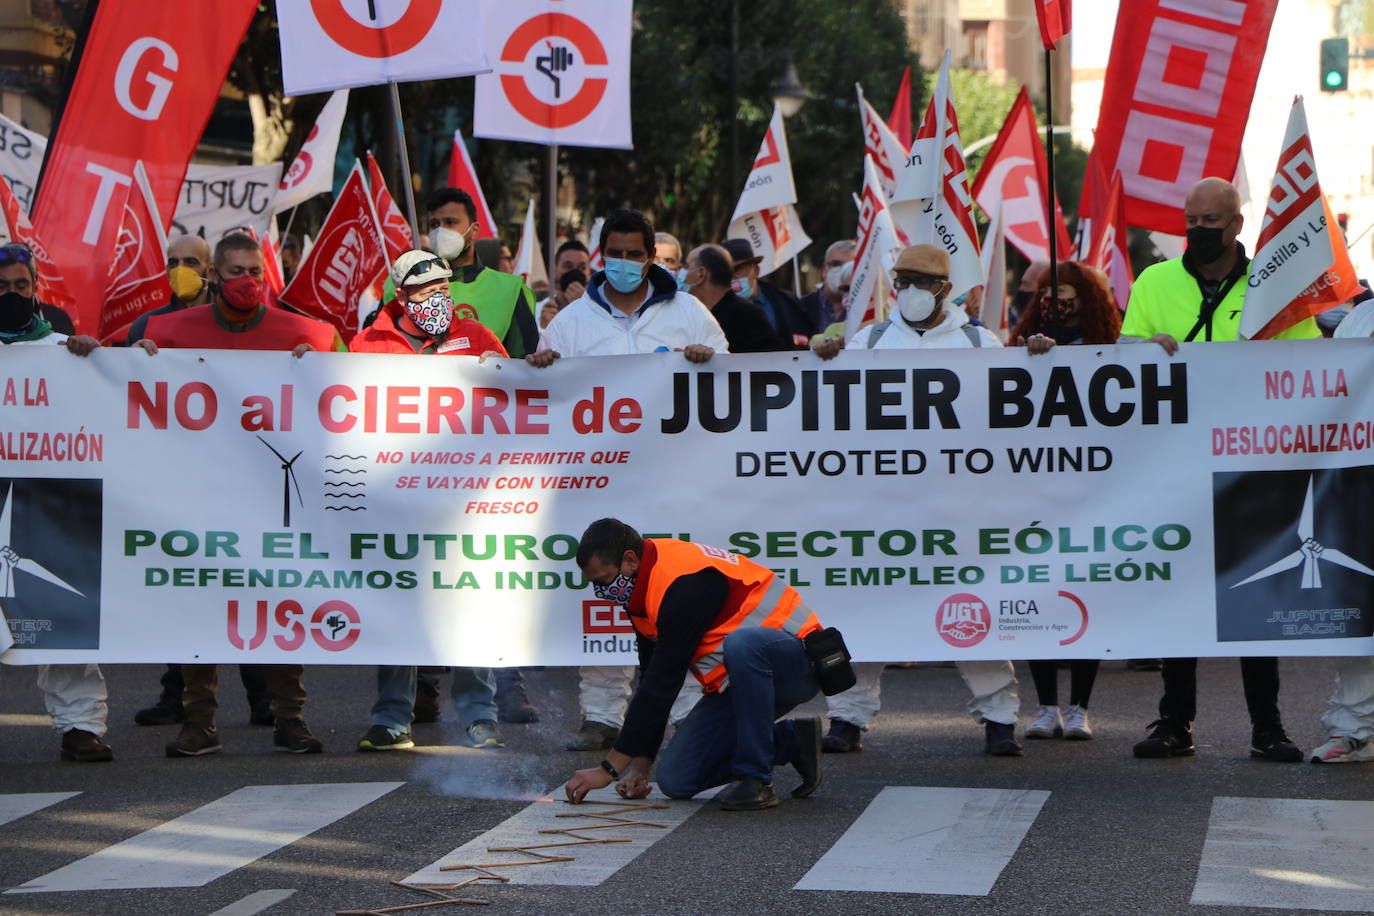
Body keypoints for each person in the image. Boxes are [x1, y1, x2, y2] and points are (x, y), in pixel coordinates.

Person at [1121, 176, 1316, 763]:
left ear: (1237, 224)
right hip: (1175, 464)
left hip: (1250, 464)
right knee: (1180, 594)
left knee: (1253, 597)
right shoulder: (1154, 281)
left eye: (1212, 222)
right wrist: (1144, 351)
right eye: (1193, 220)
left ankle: (1268, 728)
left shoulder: (1271, 287)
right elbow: (1123, 361)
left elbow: (1303, 364)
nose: (1200, 231)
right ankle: (1173, 722)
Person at [813, 244, 1023, 757]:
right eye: (902, 280)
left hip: (961, 507)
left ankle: (1000, 719)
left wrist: (1038, 357)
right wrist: (823, 356)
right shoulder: (872, 339)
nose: (910, 291)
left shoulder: (979, 343)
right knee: (869, 608)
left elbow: (1015, 406)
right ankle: (847, 718)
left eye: (921, 282)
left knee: (975, 609)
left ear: (945, 290)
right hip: (884, 504)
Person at [529, 208, 727, 751]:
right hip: (598, 485)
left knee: (675, 597)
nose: (623, 263)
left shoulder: (688, 314)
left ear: (650, 257)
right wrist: (539, 365)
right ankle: (602, 714)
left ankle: (687, 711)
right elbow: (541, 391)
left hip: (674, 481)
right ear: (601, 256)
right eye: (613, 253)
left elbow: (733, 383)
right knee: (602, 597)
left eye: (633, 254)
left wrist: (709, 360)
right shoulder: (571, 323)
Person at [139, 234, 336, 757]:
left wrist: (318, 365)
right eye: (235, 272)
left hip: (273, 495)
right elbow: (133, 388)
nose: (247, 282)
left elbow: (347, 380)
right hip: (199, 493)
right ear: (214, 278)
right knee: (200, 603)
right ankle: (198, 721)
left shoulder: (304, 334)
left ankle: (289, 717)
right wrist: (139, 364)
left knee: (278, 603)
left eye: (255, 271)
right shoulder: (170, 333)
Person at [350, 250, 515, 751]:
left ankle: (479, 717)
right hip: (396, 500)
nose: (437, 299)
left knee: (469, 601)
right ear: (401, 297)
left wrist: (501, 372)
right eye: (425, 292)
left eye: (444, 289)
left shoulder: (478, 338)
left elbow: (517, 400)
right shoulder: (368, 345)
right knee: (399, 602)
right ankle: (391, 719)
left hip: (464, 499)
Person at [563, 519, 824, 811]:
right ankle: (793, 740)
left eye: (604, 580)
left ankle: (756, 778)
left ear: (630, 560)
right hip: (740, 684)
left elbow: (665, 683)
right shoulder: (643, 592)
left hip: (796, 663)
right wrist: (640, 767)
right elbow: (652, 681)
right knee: (677, 779)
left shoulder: (683, 581)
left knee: (743, 643)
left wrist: (607, 770)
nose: (603, 591)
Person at [0, 247, 114, 762]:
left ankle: (80, 726)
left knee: (60, 611)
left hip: (45, 505)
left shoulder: (68, 351)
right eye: (1, 287)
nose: (11, 295)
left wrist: (113, 363)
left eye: (21, 286)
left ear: (36, 288)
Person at [1008, 261, 1121, 740]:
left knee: (1084, 595)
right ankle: (1046, 705)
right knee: (1038, 594)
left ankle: (1079, 707)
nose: (1058, 303)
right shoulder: (1024, 343)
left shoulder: (1108, 347)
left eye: (1067, 295)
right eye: (1050, 295)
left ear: (1087, 298)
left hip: (1089, 489)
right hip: (1036, 487)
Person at [378, 187, 539, 359]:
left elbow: (523, 361)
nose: (441, 231)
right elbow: (375, 341)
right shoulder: (400, 284)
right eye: (434, 224)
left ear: (474, 230)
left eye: (451, 222)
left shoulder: (508, 290)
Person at [683, 243, 784, 352]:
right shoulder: (692, 314)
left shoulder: (747, 316)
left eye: (687, 267)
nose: (682, 273)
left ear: (701, 274)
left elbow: (773, 360)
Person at [722, 238, 817, 348]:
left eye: (737, 269)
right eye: (727, 271)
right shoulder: (716, 308)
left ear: (756, 270)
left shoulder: (787, 302)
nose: (733, 276)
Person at [0, 241, 75, 335]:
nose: (12, 291)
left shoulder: (57, 317)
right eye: (2, 287)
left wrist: (88, 347)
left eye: (21, 286)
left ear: (34, 286)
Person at [799, 240, 856, 332]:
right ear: (825, 270)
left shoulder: (865, 308)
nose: (843, 271)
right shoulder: (800, 307)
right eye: (836, 264)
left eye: (850, 267)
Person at [538, 239, 592, 328]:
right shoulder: (539, 310)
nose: (575, 272)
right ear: (555, 269)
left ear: (589, 273)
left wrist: (583, 306)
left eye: (582, 268)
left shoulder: (601, 311)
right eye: (568, 266)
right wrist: (544, 328)